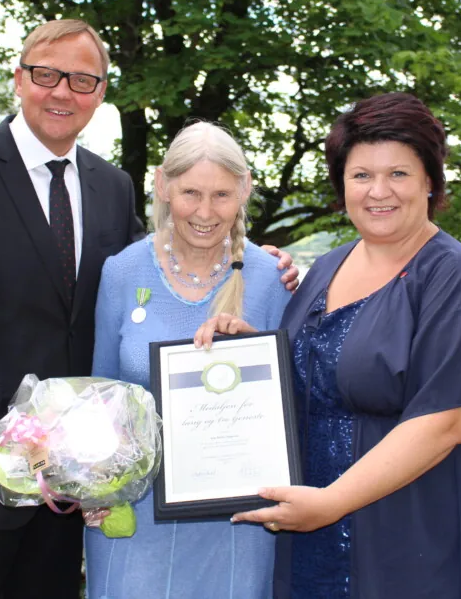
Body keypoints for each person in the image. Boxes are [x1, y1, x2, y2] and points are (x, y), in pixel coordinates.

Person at [0, 19, 297, 598]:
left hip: (76, 493)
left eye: (82, 80)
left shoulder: (111, 186)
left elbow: (152, 282)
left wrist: (263, 263)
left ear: (101, 92)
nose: (63, 92)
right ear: (19, 79)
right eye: (47, 75)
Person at [198, 93, 461, 598]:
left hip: (417, 533)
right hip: (315, 527)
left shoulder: (456, 278)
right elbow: (318, 376)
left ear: (429, 181)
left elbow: (447, 422)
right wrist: (252, 353)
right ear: (342, 184)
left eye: (398, 174)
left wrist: (333, 502)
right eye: (361, 176)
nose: (379, 191)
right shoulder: (330, 266)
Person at [84, 121, 292, 599]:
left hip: (236, 525)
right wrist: (93, 488)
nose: (204, 211)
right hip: (134, 524)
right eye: (190, 193)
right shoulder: (120, 272)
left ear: (245, 190)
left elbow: (293, 404)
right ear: (162, 185)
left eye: (221, 194)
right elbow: (99, 394)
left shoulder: (271, 281)